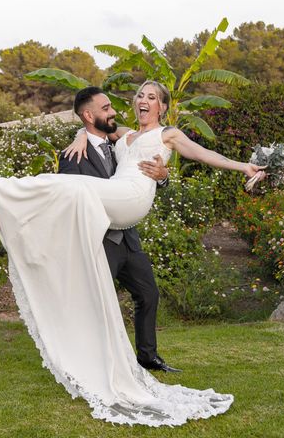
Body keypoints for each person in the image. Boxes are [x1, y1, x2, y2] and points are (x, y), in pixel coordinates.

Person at [0, 81, 265, 426]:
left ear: (162, 106)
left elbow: (205, 155)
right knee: (64, 188)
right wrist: (79, 135)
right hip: (113, 202)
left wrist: (243, 167)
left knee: (64, 186)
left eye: (152, 97)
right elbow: (96, 126)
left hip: (130, 198)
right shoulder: (124, 135)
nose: (143, 100)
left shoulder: (168, 134)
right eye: (140, 95)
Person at [58, 86, 180, 374]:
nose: (113, 112)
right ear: (89, 115)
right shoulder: (72, 156)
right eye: (106, 108)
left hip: (128, 237)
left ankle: (147, 356)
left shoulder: (120, 145)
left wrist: (163, 178)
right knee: (95, 304)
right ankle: (84, 362)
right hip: (101, 241)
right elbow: (68, 201)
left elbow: (141, 177)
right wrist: (79, 136)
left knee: (148, 293)